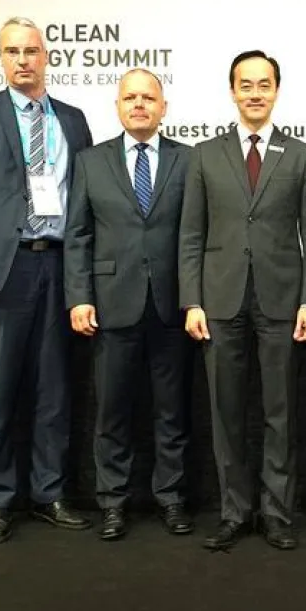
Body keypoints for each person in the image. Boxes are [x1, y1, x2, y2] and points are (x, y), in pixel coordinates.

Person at [0, 16, 94, 543]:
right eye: (11, 51)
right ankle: (0, 498)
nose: (22, 59)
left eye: (31, 50)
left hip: (60, 265)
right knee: (1, 389)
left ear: (47, 55)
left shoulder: (73, 121)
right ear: (0, 59)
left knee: (54, 389)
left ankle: (49, 492)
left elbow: (87, 205)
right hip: (2, 269)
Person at [178, 50, 306, 551]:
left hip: (282, 302)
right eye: (246, 84)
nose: (255, 93)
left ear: (277, 91)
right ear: (232, 90)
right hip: (219, 301)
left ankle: (277, 514)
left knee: (280, 412)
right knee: (226, 411)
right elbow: (191, 235)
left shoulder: (302, 156)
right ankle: (234, 512)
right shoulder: (204, 155)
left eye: (264, 84)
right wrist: (191, 301)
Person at [64, 69, 193, 540]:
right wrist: (78, 296)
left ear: (164, 107)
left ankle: (172, 498)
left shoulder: (188, 160)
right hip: (111, 305)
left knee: (171, 412)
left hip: (171, 306)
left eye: (149, 98)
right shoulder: (89, 162)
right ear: (118, 106)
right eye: (130, 98)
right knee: (112, 412)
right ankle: (112, 502)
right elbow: (77, 235)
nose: (140, 105)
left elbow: (196, 235)